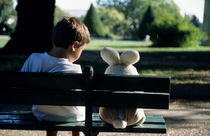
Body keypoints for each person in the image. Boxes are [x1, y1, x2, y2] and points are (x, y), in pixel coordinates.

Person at [21, 17, 90, 136]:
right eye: (81, 50)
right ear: (74, 45)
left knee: (52, 107)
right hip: (72, 117)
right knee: (74, 109)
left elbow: (20, 83)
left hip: (42, 114)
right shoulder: (75, 70)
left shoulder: (34, 59)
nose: (81, 53)